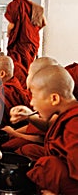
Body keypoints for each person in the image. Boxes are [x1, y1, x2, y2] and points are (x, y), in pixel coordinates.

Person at [24, 65, 78, 195]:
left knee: (49, 166)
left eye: (34, 97)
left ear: (54, 99)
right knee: (30, 151)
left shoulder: (75, 124)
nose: (31, 103)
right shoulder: (66, 115)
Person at [1, 57, 60, 152]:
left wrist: (14, 133)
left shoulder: (56, 104)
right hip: (28, 134)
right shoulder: (44, 97)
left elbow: (44, 138)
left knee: (17, 148)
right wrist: (12, 132)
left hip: (45, 148)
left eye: (29, 74)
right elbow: (35, 126)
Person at [5, 0, 46, 88]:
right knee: (28, 67)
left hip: (19, 43)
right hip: (31, 42)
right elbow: (43, 23)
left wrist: (9, 34)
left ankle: (19, 90)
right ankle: (27, 90)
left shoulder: (14, 4)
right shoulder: (36, 7)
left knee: (18, 68)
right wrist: (31, 31)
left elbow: (11, 25)